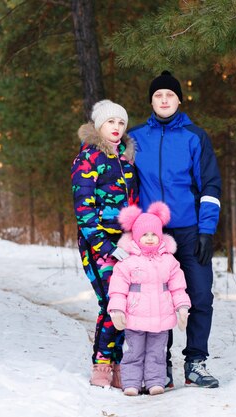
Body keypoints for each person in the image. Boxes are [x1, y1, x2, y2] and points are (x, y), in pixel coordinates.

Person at [128, 70, 222, 388]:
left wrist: (206, 231)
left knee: (200, 296)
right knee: (157, 298)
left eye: (170, 95)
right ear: (151, 100)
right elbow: (125, 184)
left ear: (179, 100)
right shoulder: (137, 138)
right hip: (152, 237)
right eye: (158, 95)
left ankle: (195, 361)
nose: (164, 99)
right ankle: (161, 364)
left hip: (190, 231)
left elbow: (210, 185)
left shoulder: (195, 137)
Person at [71, 99, 138, 388]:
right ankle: (102, 363)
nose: (117, 128)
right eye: (111, 122)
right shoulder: (87, 159)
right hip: (97, 243)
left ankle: (119, 363)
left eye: (121, 123)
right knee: (111, 302)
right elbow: (83, 210)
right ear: (99, 124)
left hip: (127, 241)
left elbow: (135, 203)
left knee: (127, 303)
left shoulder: (126, 159)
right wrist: (105, 247)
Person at [108, 202, 191, 396]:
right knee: (134, 352)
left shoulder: (169, 260)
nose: (150, 238)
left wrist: (182, 307)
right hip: (135, 316)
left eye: (154, 234)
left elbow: (178, 287)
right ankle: (131, 383)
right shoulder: (127, 261)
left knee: (156, 353)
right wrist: (117, 310)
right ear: (136, 236)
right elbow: (118, 289)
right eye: (145, 234)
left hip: (161, 317)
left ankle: (155, 382)